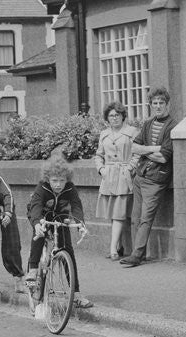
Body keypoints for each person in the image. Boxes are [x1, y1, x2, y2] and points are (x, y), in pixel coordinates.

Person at [26, 155, 93, 309]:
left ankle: (76, 294)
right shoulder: (42, 188)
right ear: (48, 179)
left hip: (60, 217)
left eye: (62, 180)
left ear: (67, 179)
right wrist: (36, 224)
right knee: (40, 234)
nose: (58, 184)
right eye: (54, 180)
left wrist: (80, 224)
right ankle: (33, 269)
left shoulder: (70, 188)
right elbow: (36, 207)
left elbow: (76, 206)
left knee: (67, 251)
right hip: (41, 216)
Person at [120, 86, 176, 268]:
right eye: (154, 103)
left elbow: (164, 157)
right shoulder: (148, 124)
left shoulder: (172, 126)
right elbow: (134, 147)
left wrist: (145, 151)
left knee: (146, 218)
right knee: (135, 217)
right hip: (140, 176)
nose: (158, 106)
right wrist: (153, 149)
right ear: (151, 105)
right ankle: (138, 253)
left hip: (156, 179)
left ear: (167, 104)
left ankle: (136, 255)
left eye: (161, 103)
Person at [94, 100, 138, 259]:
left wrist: (130, 168)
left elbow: (137, 153)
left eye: (117, 115)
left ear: (123, 116)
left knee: (119, 213)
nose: (114, 118)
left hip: (124, 176)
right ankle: (120, 247)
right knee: (114, 213)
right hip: (109, 177)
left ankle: (113, 249)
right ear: (107, 118)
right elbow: (98, 155)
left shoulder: (132, 132)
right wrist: (101, 169)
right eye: (111, 115)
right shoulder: (104, 134)